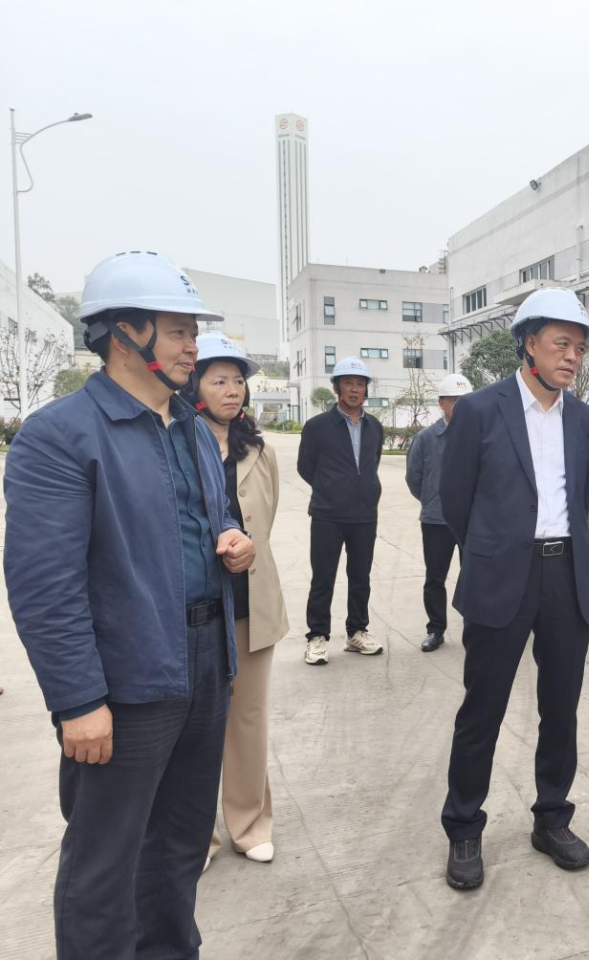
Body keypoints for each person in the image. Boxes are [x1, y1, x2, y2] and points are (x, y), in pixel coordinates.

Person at [3, 251, 255, 956]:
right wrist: (79, 700)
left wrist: (233, 540)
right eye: (177, 332)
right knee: (105, 863)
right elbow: (45, 586)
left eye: (192, 332)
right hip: (127, 680)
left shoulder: (191, 429)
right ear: (123, 335)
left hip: (206, 663)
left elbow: (209, 518)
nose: (193, 347)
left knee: (179, 845)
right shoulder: (61, 436)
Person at [439, 288, 589, 890]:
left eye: (579, 347)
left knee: (560, 708)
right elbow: (455, 500)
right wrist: (494, 549)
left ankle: (552, 819)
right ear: (529, 343)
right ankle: (463, 826)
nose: (572, 357)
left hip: (566, 576)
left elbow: (582, 494)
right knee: (482, 709)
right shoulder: (481, 410)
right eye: (562, 344)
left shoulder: (584, 421)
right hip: (500, 575)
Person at [183, 334, 290, 868]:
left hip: (251, 600)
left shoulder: (259, 449)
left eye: (238, 381)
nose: (232, 390)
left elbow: (266, 517)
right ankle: (194, 836)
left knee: (247, 719)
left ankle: (249, 824)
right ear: (193, 386)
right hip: (194, 607)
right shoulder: (176, 442)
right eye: (218, 380)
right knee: (196, 724)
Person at [297, 356, 385, 664]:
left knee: (360, 576)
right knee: (323, 577)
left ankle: (356, 632)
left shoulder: (375, 427)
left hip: (364, 514)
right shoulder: (317, 427)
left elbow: (373, 461)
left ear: (366, 390)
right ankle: (317, 636)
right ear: (337, 388)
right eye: (348, 383)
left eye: (360, 384)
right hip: (327, 514)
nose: (354, 389)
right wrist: (331, 488)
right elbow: (305, 467)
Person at [406, 373, 474, 652]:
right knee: (435, 577)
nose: (458, 406)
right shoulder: (425, 438)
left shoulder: (479, 437)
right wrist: (432, 501)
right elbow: (414, 478)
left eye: (464, 401)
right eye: (453, 400)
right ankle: (436, 629)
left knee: (473, 576)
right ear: (441, 403)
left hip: (471, 521)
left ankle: (474, 627)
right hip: (436, 520)